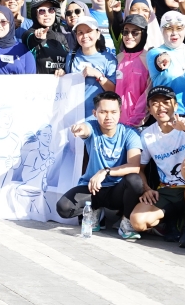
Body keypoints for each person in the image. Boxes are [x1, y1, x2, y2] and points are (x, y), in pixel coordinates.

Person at [56, 91, 146, 241]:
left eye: (113, 112)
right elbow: (85, 129)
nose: (108, 117)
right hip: (93, 188)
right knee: (64, 208)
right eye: (103, 112)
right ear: (95, 113)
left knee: (135, 180)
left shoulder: (130, 134)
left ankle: (126, 222)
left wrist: (105, 171)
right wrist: (79, 129)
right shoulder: (92, 127)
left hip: (118, 190)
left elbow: (134, 166)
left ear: (120, 112)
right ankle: (95, 210)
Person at [128, 87, 185, 239]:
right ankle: (169, 222)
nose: (161, 107)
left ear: (175, 105)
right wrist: (146, 189)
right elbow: (140, 168)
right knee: (137, 222)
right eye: (155, 103)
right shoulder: (147, 134)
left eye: (166, 102)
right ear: (149, 109)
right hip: (168, 189)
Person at [146, 11, 185, 118]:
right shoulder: (154, 52)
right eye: (169, 28)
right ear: (162, 30)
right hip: (166, 117)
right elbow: (159, 58)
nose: (174, 33)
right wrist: (163, 58)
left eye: (179, 28)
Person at [68, 15, 118, 108]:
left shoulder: (109, 59)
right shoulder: (71, 55)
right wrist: (61, 72)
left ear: (98, 34)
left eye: (89, 31)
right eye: (80, 32)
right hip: (73, 112)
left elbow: (114, 91)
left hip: (97, 114)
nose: (85, 36)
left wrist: (98, 75)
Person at [114, 15, 151, 127]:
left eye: (135, 32)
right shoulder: (118, 58)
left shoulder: (149, 59)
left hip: (139, 124)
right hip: (116, 123)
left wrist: (135, 120)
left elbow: (147, 93)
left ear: (143, 34)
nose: (129, 36)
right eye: (125, 32)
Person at [22, 0, 70, 76]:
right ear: (34, 14)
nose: (47, 14)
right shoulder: (28, 34)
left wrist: (63, 71)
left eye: (51, 10)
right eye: (42, 11)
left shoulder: (61, 37)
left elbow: (69, 62)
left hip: (60, 83)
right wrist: (37, 38)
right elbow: (31, 40)